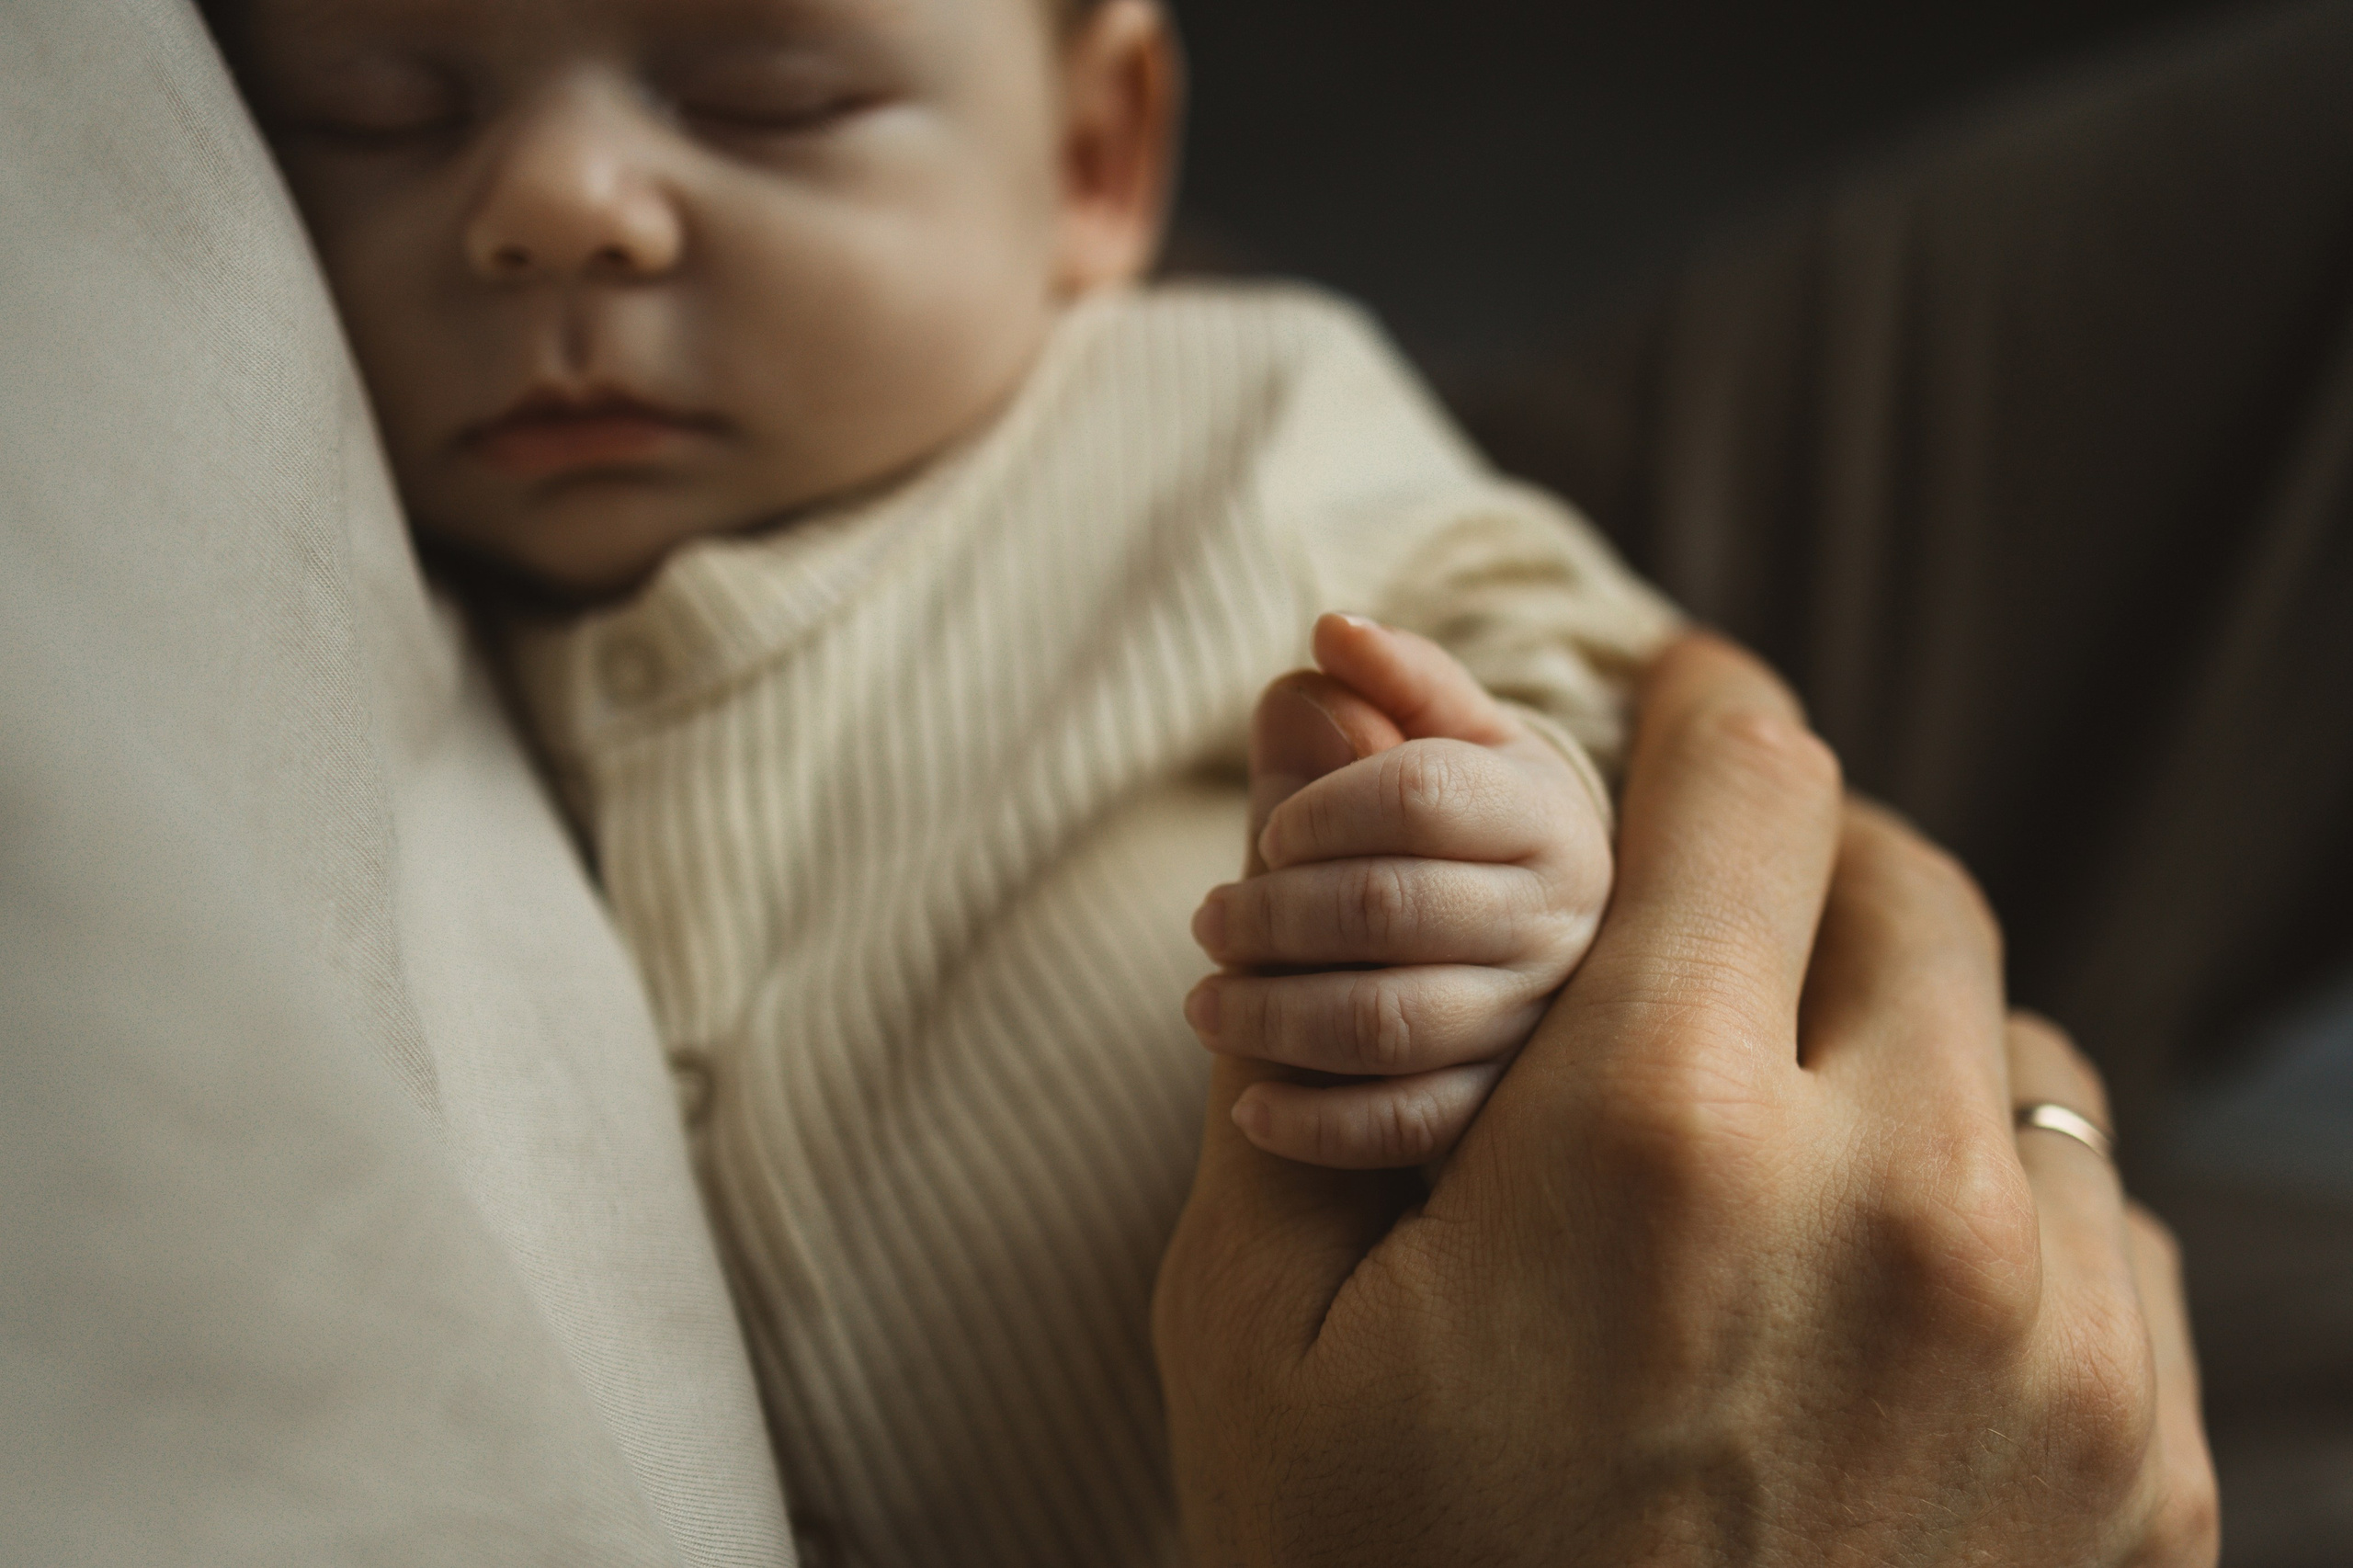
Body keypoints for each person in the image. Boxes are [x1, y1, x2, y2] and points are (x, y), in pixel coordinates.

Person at [210, 0, 1684, 1559]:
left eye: (761, 96)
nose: (555, 206)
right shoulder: (372, 652)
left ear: (1093, 156)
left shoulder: (1219, 427)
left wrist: (1529, 850)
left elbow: (1604, 680)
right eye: (378, 116)